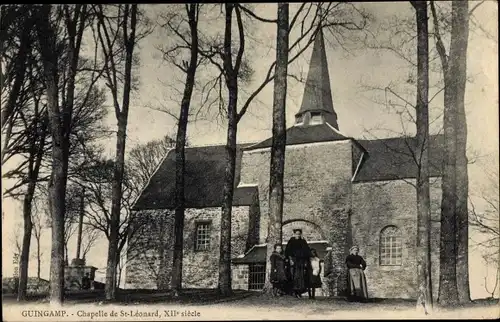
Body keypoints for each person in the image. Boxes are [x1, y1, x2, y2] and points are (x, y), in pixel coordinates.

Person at [285, 228, 312, 298]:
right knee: (294, 276)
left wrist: (306, 261)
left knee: (301, 277)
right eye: (296, 234)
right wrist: (290, 260)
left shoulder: (303, 241)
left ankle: (300, 292)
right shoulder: (291, 241)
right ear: (294, 234)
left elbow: (307, 251)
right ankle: (294, 292)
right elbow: (288, 251)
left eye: (299, 234)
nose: (298, 235)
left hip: (301, 262)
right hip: (294, 261)